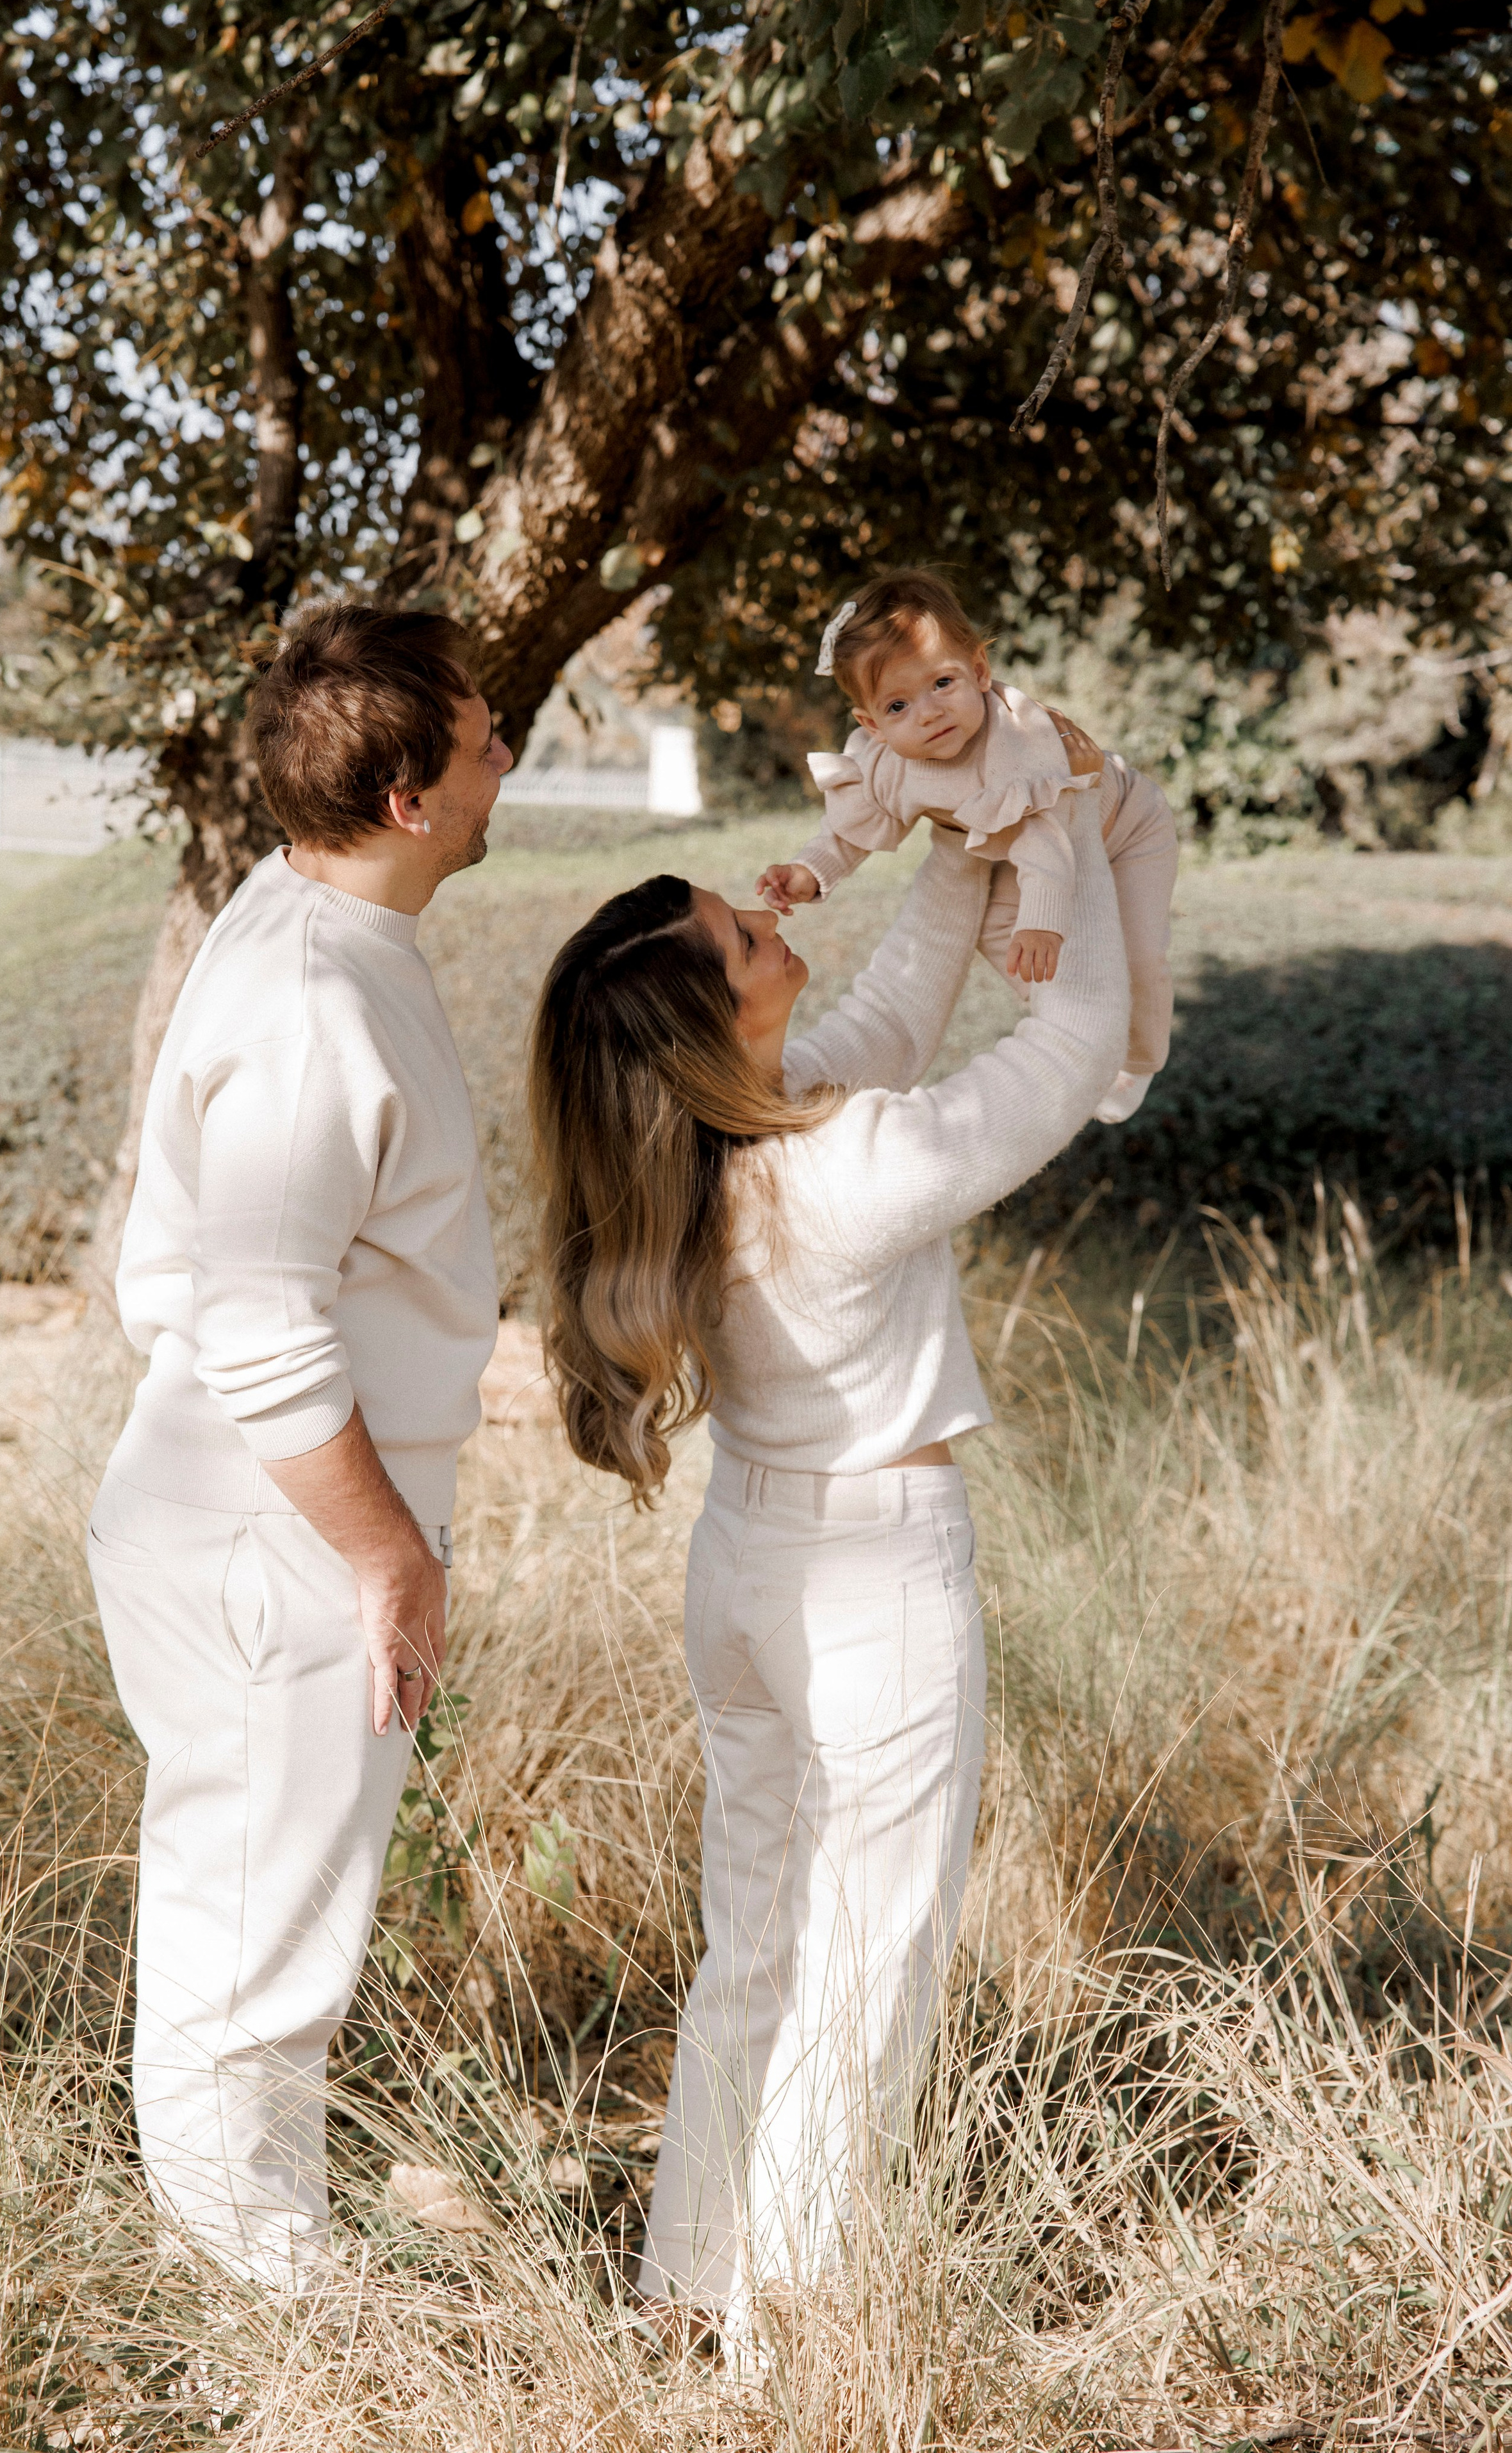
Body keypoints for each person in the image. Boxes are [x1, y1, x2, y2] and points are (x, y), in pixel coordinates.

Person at [528, 765, 1130, 2356]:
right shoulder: (842, 1168)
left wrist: (962, 829)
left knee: (765, 1943)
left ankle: (684, 2296)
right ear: (718, 1020)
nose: (768, 907)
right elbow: (1063, 1056)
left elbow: (892, 1006)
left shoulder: (719, 1146)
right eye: (741, 932)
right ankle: (795, 2325)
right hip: (872, 1577)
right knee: (866, 1962)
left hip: (748, 1573)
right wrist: (1061, 830)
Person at [86, 601, 509, 2290]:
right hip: (284, 1533)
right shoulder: (314, 993)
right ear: (408, 799)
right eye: (484, 735)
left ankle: (256, 2287)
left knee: (250, 1929)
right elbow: (260, 1320)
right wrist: (387, 1553)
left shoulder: (301, 919)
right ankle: (270, 2334)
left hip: (264, 1514)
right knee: (256, 1960)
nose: (505, 756)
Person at [757, 567, 1178, 1126]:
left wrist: (1044, 917)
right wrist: (810, 872)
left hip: (1126, 830)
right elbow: (850, 828)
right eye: (898, 706)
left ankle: (1137, 1058)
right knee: (1010, 942)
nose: (928, 712)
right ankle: (1081, 1021)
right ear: (872, 725)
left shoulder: (1017, 742)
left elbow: (1047, 835)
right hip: (1016, 854)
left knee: (1138, 954)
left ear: (980, 671)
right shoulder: (887, 764)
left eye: (942, 684)